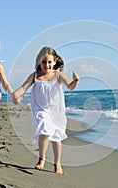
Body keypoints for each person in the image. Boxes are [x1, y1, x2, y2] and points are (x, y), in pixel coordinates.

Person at [13, 46, 79, 175]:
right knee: (44, 129)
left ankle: (57, 163)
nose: (47, 65)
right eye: (43, 62)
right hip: (40, 109)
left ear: (54, 62)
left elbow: (70, 87)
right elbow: (23, 88)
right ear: (39, 62)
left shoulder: (58, 75)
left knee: (56, 138)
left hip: (56, 111)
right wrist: (16, 95)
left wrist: (75, 80)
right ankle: (41, 159)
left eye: (49, 62)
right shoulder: (35, 76)